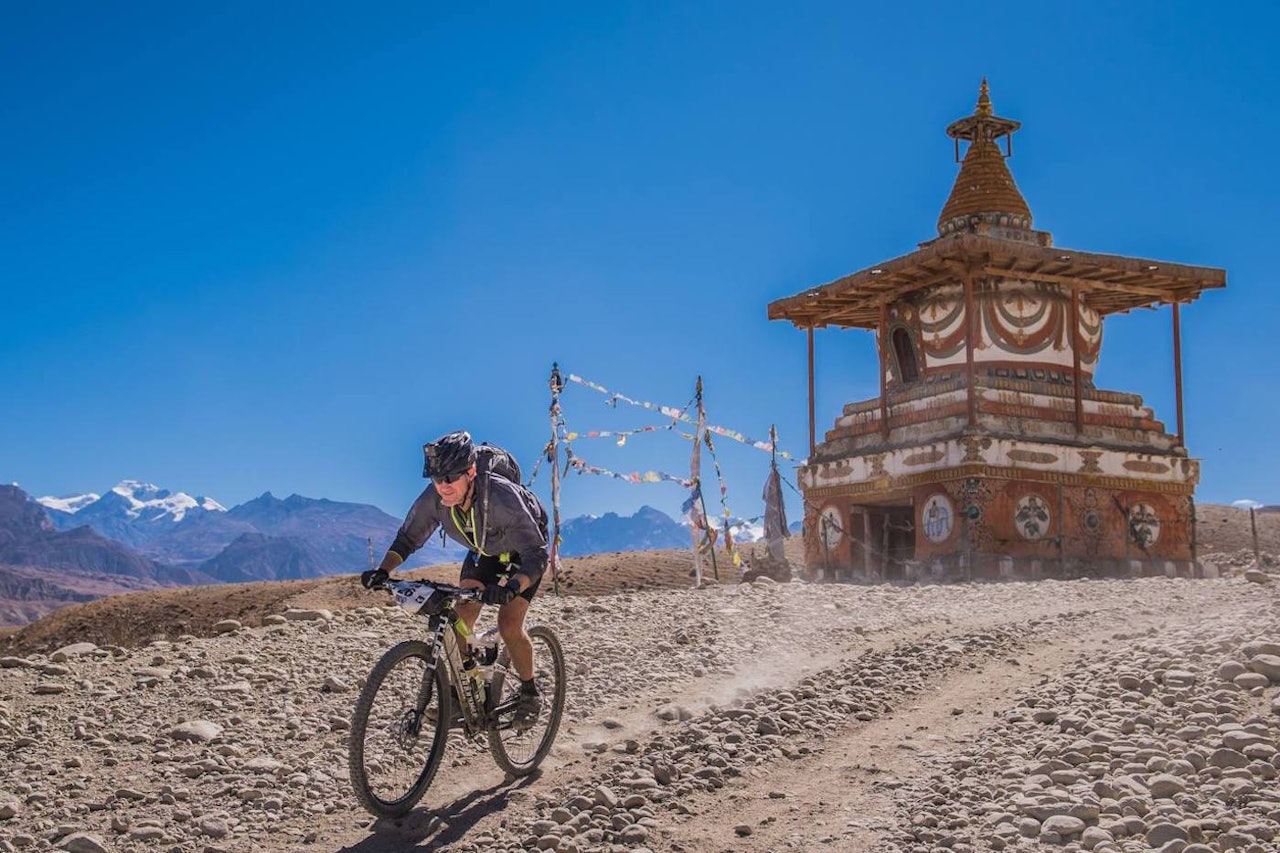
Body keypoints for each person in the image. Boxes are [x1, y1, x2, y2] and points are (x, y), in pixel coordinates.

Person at [361, 430, 549, 728]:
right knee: (459, 616)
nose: (443, 486)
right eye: (437, 479)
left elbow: (537, 555)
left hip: (523, 552)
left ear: (470, 472)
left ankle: (529, 694)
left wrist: (513, 587)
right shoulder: (435, 497)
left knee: (509, 623)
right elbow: (408, 538)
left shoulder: (501, 498)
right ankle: (463, 689)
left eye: (451, 478)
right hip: (485, 550)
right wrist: (383, 571)